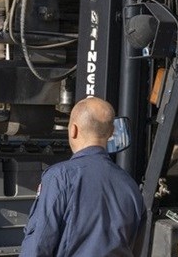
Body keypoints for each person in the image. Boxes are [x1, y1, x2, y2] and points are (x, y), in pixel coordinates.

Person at [19, 97, 145, 257]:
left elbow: (38, 245)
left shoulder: (60, 177)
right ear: (111, 133)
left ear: (73, 130)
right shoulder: (131, 187)